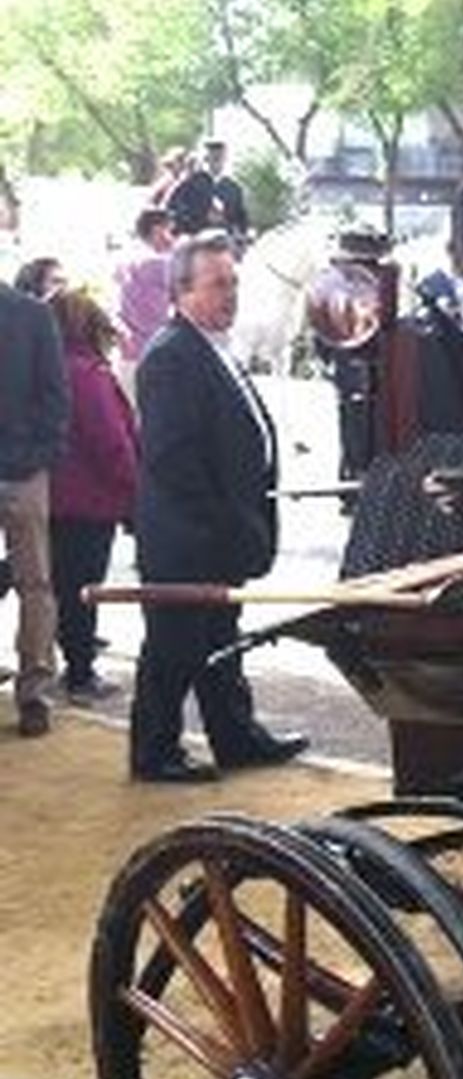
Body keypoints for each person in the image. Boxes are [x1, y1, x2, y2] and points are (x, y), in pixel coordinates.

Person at [129, 233, 306, 783]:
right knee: (173, 648)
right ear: (183, 291)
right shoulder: (171, 356)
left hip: (216, 534)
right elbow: (172, 459)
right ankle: (154, 752)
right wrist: (227, 521)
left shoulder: (211, 348)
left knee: (219, 642)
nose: (231, 295)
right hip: (186, 537)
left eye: (234, 282)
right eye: (218, 284)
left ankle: (236, 737)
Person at [47, 289, 139, 701]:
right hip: (90, 499)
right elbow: (110, 443)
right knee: (83, 587)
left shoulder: (47, 367)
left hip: (51, 492)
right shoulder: (89, 374)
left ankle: (66, 660)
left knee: (57, 581)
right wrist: (133, 489)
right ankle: (80, 674)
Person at [0, 278, 69, 736]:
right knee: (37, 583)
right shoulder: (32, 314)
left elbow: (55, 395)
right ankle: (35, 693)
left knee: (37, 582)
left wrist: (37, 456)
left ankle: (35, 691)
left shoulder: (32, 315)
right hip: (26, 466)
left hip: (24, 470)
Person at [115, 205, 176, 367]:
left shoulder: (124, 260)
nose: (173, 238)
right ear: (157, 231)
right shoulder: (160, 264)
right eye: (170, 231)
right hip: (155, 352)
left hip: (128, 351)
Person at [165, 138, 249, 244]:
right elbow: (173, 211)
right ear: (206, 158)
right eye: (213, 157)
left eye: (220, 157)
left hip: (224, 243)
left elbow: (240, 219)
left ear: (225, 159)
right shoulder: (189, 184)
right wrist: (198, 219)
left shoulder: (233, 188)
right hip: (195, 240)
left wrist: (236, 231)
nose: (216, 161)